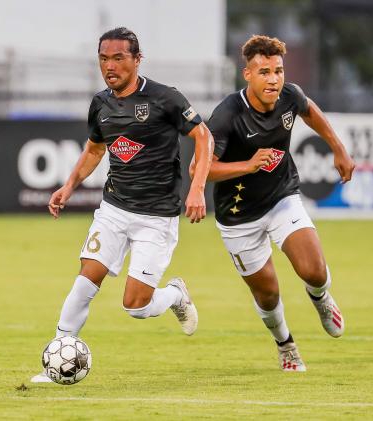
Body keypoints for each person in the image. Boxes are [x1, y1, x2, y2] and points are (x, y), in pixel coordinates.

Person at [32, 27, 213, 382]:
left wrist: (197, 189)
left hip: (156, 218)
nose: (109, 66)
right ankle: (60, 352)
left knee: (136, 307)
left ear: (137, 59)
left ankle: (175, 295)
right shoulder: (101, 103)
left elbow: (203, 136)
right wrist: (68, 186)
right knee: (86, 278)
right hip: (114, 209)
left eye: (118, 58)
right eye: (103, 59)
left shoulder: (166, 98)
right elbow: (95, 149)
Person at [192, 35, 355, 372]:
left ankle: (322, 299)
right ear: (247, 75)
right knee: (267, 295)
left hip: (281, 197)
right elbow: (199, 168)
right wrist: (248, 165)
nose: (274, 79)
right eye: (264, 72)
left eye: (278, 71)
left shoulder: (289, 96)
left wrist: (338, 147)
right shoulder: (227, 114)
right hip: (238, 217)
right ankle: (286, 345)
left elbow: (310, 110)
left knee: (314, 269)